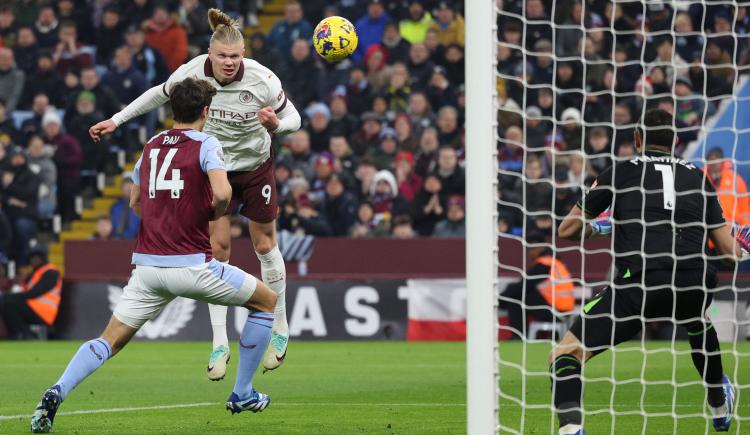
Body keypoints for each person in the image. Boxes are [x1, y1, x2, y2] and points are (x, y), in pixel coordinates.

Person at [30, 77, 279, 434]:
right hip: (194, 265)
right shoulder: (207, 142)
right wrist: (208, 214)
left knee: (108, 339)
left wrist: (166, 219)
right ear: (206, 112)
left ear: (172, 110)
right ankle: (242, 393)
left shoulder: (152, 145)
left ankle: (57, 390)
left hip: (146, 267)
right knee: (266, 301)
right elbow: (223, 194)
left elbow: (134, 202)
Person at [89, 9, 301, 379]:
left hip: (253, 166)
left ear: (244, 54)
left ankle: (280, 328)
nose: (230, 63)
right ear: (210, 54)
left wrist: (278, 125)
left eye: (236, 57)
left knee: (265, 246)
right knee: (216, 251)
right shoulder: (191, 71)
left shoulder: (263, 79)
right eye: (223, 57)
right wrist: (117, 119)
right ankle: (220, 340)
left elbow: (293, 118)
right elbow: (159, 94)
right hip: (213, 167)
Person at [554, 109, 740, 434]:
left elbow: (567, 230)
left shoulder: (622, 171)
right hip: (693, 281)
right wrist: (744, 244)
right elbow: (729, 254)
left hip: (638, 284)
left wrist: (603, 226)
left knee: (566, 354)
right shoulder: (698, 176)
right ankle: (719, 404)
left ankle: (571, 430)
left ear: (637, 140)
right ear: (676, 142)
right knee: (697, 319)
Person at [498, 232, 574, 339]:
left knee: (516, 296)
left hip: (556, 312)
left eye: (531, 249)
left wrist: (499, 300)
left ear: (539, 247)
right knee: (517, 291)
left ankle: (518, 336)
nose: (530, 253)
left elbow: (523, 286)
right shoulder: (554, 262)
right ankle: (519, 335)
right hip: (563, 310)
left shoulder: (544, 265)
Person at [0, 248, 61, 340]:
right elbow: (24, 290)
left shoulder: (51, 272)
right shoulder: (35, 272)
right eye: (32, 258)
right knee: (7, 302)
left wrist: (11, 296)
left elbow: (35, 293)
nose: (34, 261)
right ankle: (20, 334)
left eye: (36, 258)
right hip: (33, 308)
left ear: (42, 258)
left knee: (9, 302)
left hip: (44, 312)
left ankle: (23, 334)